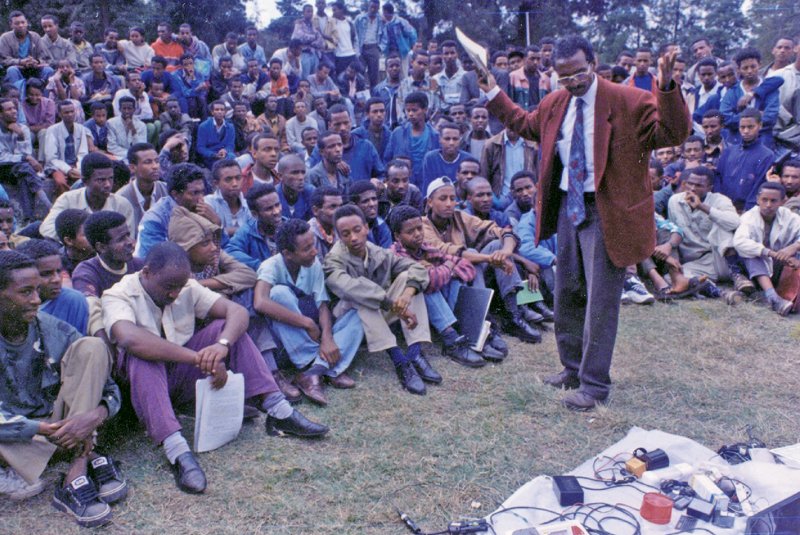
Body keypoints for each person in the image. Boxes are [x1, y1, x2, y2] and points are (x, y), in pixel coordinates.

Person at [479, 36, 690, 410]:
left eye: (578, 72)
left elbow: (673, 134)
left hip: (607, 210)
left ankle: (594, 385)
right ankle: (572, 368)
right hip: (567, 208)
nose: (573, 82)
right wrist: (494, 92)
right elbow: (526, 125)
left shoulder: (630, 100)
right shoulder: (555, 102)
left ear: (593, 62)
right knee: (567, 292)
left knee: (600, 303)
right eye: (563, 77)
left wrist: (668, 87)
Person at [102, 242, 327, 494]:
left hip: (177, 379)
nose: (175, 293)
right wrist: (199, 358)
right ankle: (177, 450)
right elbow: (130, 339)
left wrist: (222, 345)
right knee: (142, 356)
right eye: (168, 287)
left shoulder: (186, 286)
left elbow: (237, 311)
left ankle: (278, 410)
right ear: (146, 273)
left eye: (179, 286)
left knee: (229, 330)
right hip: (139, 392)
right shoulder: (118, 294)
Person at [0, 250, 124, 527]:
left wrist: (93, 417)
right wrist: (39, 430)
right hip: (17, 435)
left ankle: (75, 470)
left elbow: (111, 389)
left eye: (36, 290)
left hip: (63, 426)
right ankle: (88, 450)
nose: (36, 299)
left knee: (92, 348)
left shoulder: (54, 329)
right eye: (25, 292)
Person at [324, 204, 438, 395]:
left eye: (357, 230)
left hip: (378, 312)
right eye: (345, 234)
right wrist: (391, 303)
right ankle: (400, 362)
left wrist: (408, 293)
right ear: (339, 236)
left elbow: (417, 268)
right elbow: (348, 287)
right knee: (359, 294)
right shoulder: (333, 259)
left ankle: (415, 353)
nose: (353, 238)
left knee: (408, 279)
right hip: (349, 320)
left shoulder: (377, 252)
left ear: (367, 228)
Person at [254, 218, 364, 405]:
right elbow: (260, 302)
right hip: (287, 344)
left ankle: (315, 371)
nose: (314, 252)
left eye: (313, 245)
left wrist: (328, 339)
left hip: (312, 340)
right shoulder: (271, 266)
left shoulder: (313, 265)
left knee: (359, 314)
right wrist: (307, 323)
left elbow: (323, 306)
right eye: (307, 249)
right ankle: (324, 367)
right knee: (279, 293)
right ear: (288, 253)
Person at [423, 177, 540, 345]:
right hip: (444, 284)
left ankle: (513, 316)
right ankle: (484, 319)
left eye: (452, 198)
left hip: (469, 278)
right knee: (471, 254)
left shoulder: (459, 217)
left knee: (496, 244)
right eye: (443, 199)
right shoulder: (423, 224)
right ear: (430, 202)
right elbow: (451, 253)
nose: (449, 203)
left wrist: (505, 252)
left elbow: (501, 231)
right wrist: (492, 259)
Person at [388, 205, 490, 366]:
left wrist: (442, 270)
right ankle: (451, 340)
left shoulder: (424, 248)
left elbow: (467, 266)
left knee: (454, 279)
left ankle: (464, 330)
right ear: (397, 236)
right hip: (404, 315)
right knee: (424, 285)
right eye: (410, 232)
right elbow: (427, 281)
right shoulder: (396, 254)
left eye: (419, 228)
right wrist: (447, 267)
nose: (417, 234)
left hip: (432, 311)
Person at [668, 166, 748, 296]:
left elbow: (734, 222)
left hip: (721, 258)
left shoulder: (719, 200)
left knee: (722, 225)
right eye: (690, 183)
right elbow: (674, 230)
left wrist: (702, 207)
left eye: (699, 185)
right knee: (672, 278)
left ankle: (737, 275)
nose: (693, 188)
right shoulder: (674, 201)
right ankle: (719, 293)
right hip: (697, 262)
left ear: (709, 188)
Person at [734, 182, 800, 316]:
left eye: (773, 201)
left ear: (783, 201)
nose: (768, 205)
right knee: (750, 253)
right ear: (758, 199)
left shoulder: (791, 217)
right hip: (754, 270)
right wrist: (773, 254)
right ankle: (773, 298)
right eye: (764, 200)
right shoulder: (749, 217)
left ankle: (782, 295)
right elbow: (740, 242)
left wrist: (794, 247)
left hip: (780, 267)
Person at [41, 153, 135, 241]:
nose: (107, 185)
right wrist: (79, 241)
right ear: (85, 181)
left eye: (110, 178)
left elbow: (128, 238)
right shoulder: (68, 199)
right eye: (100, 180)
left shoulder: (122, 204)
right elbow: (47, 228)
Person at [135, 163, 219, 258]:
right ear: (175, 194)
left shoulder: (203, 210)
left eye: (202, 192)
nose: (201, 199)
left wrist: (216, 223)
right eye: (195, 193)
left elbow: (222, 250)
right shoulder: (155, 220)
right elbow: (153, 262)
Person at [16, 238, 89, 334]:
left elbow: (76, 344)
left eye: (59, 271)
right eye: (46, 273)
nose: (57, 279)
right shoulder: (14, 303)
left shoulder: (72, 300)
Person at [715, 108, 775, 213]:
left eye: (750, 127)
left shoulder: (766, 155)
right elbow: (718, 178)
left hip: (746, 211)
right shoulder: (728, 151)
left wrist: (747, 211)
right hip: (723, 208)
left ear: (760, 125)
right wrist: (718, 205)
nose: (746, 131)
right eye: (742, 127)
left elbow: (759, 186)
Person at [721, 48, 782, 148]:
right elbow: (727, 119)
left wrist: (741, 121)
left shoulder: (769, 89)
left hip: (764, 142)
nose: (749, 71)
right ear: (738, 69)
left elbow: (771, 117)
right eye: (745, 68)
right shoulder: (732, 91)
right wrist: (756, 115)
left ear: (760, 64)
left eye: (753, 66)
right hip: (737, 143)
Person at [0, 97, 49, 220]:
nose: (14, 111)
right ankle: (48, 206)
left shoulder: (23, 129)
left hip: (19, 169)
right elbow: (2, 157)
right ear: (1, 114)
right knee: (24, 167)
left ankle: (28, 218)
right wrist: (25, 157)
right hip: (2, 170)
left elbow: (26, 152)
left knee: (24, 175)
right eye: (9, 109)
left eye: (14, 108)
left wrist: (20, 136)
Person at [384, 92, 440, 187]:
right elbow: (387, 160)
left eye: (414, 110)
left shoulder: (435, 136)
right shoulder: (397, 133)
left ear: (425, 110)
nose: (410, 114)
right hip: (401, 187)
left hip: (427, 185)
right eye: (408, 110)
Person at [116, 143, 168, 238]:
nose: (155, 166)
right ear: (132, 168)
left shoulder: (167, 190)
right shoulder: (121, 198)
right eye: (148, 162)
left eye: (157, 161)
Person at [481, 128, 538, 209]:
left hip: (526, 198)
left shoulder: (531, 144)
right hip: (500, 199)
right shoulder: (491, 144)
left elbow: (537, 174)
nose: (513, 126)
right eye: (510, 124)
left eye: (517, 123)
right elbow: (484, 176)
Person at [44, 100, 90, 195]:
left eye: (72, 111)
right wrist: (68, 170)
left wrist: (79, 168)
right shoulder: (52, 130)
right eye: (66, 112)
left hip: (75, 165)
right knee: (60, 183)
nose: (70, 115)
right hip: (58, 166)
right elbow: (51, 158)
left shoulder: (80, 128)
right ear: (60, 114)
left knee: (87, 180)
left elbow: (83, 153)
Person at [1, 11, 54, 84]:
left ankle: (44, 94)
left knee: (48, 70)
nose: (20, 25)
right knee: (12, 70)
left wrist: (36, 61)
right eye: (17, 23)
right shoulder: (5, 38)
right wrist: (20, 62)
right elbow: (3, 59)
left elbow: (44, 57)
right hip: (17, 68)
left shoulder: (35, 36)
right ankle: (16, 94)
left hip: (34, 69)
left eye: (23, 22)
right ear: (11, 25)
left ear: (27, 22)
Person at [397, 50, 441, 121]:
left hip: (429, 126)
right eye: (419, 63)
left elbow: (437, 108)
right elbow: (400, 109)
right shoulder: (403, 84)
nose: (422, 67)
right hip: (408, 125)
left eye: (425, 64)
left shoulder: (433, 83)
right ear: (412, 62)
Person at [349, 180, 391, 247]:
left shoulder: (381, 224)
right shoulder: (347, 228)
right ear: (354, 206)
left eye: (374, 199)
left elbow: (387, 254)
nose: (372, 204)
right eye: (365, 201)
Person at [379, 3, 417, 78]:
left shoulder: (401, 22)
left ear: (386, 12)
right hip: (389, 51)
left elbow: (412, 33)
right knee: (390, 73)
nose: (383, 14)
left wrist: (410, 45)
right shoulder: (383, 23)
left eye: (383, 12)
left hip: (401, 51)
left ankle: (404, 88)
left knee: (403, 73)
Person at [21, 78, 56, 160]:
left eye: (37, 95)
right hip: (29, 132)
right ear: (26, 94)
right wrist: (30, 128)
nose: (34, 97)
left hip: (40, 130)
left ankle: (41, 160)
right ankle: (31, 159)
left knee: (44, 133)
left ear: (42, 94)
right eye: (31, 95)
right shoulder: (22, 104)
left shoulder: (48, 103)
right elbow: (22, 125)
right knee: (27, 134)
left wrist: (30, 128)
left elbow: (49, 124)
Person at [308, 185, 343, 262]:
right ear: (316, 211)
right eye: (332, 207)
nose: (339, 212)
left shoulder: (342, 230)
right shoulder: (307, 235)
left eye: (340, 206)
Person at [196, 100, 235, 169]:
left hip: (226, 156)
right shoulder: (204, 126)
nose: (219, 112)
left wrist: (225, 151)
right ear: (212, 112)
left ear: (225, 112)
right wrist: (214, 155)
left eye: (222, 110)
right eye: (217, 109)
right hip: (210, 159)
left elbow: (230, 145)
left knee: (233, 159)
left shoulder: (230, 127)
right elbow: (200, 147)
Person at [106, 96, 147, 162]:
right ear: (120, 109)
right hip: (119, 157)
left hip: (136, 158)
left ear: (134, 109)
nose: (127, 111)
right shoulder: (111, 123)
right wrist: (129, 154)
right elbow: (111, 147)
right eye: (124, 108)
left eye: (129, 108)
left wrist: (134, 131)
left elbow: (141, 147)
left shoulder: (141, 125)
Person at [54, 209, 93, 278]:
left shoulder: (103, 255)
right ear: (69, 240)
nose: (95, 236)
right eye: (87, 234)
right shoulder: (57, 264)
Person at [275, 154, 314, 221]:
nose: (301, 177)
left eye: (303, 172)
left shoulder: (310, 192)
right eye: (295, 173)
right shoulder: (273, 195)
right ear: (280, 176)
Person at [509, 45, 548, 111]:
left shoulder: (545, 79)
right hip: (521, 118)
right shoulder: (513, 76)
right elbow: (509, 102)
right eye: (532, 59)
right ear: (524, 59)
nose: (535, 62)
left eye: (538, 59)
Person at [354, 0, 383, 89]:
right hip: (362, 48)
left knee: (374, 75)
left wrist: (380, 48)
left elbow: (384, 35)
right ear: (368, 7)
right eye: (372, 7)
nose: (373, 9)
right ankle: (360, 94)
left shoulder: (381, 20)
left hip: (374, 48)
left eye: (376, 8)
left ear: (378, 8)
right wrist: (356, 51)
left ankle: (374, 95)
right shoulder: (360, 18)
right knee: (359, 73)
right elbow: (355, 35)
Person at [292, 4, 325, 80]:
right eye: (308, 11)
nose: (310, 13)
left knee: (314, 77)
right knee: (304, 77)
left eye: (311, 11)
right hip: (305, 53)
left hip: (315, 54)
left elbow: (320, 40)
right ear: (303, 12)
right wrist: (313, 37)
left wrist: (311, 43)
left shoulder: (313, 25)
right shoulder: (299, 24)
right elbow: (299, 37)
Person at [173, 53, 209, 119]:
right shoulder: (176, 75)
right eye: (185, 64)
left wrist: (193, 78)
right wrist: (196, 90)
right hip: (183, 97)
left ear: (194, 63)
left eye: (191, 63)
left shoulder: (199, 73)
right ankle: (192, 122)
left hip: (197, 96)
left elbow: (203, 91)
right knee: (192, 102)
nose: (189, 66)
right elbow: (183, 92)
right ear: (181, 66)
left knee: (202, 99)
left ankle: (204, 121)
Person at [433, 40, 465, 112]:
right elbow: (435, 101)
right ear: (441, 55)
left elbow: (466, 99)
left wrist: (445, 98)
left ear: (457, 54)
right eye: (446, 53)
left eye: (452, 53)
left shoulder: (466, 76)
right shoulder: (434, 79)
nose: (450, 56)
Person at [330, 1, 357, 76]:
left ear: (341, 10)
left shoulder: (349, 23)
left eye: (335, 10)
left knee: (353, 77)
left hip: (351, 54)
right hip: (339, 56)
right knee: (341, 78)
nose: (334, 12)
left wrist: (356, 51)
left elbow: (355, 38)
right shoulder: (332, 23)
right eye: (332, 10)